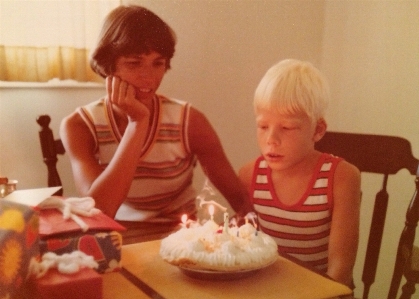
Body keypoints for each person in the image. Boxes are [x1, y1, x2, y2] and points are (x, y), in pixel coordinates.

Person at [60, 5, 250, 243]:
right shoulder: (79, 126)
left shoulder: (189, 121)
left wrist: (241, 231)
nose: (148, 77)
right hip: (117, 239)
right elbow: (100, 211)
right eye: (134, 63)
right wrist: (137, 122)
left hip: (181, 240)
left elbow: (242, 201)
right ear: (108, 65)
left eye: (157, 63)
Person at [238, 59, 361, 290]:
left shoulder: (340, 178)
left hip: (322, 292)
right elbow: (240, 251)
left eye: (287, 127)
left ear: (318, 130)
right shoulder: (249, 175)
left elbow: (340, 269)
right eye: (263, 126)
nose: (271, 139)